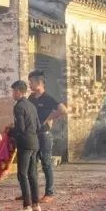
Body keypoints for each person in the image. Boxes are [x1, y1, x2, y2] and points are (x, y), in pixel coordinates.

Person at [27, 70, 67, 202]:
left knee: (46, 163)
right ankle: (30, 192)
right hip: (33, 134)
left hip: (44, 135)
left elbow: (63, 110)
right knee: (31, 163)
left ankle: (49, 193)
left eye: (31, 82)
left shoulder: (48, 98)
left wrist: (48, 118)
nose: (30, 85)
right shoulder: (31, 98)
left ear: (39, 83)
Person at [8, 80, 41, 211]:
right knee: (32, 174)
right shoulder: (31, 105)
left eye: (13, 91)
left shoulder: (19, 107)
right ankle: (36, 204)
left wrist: (10, 131)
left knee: (22, 174)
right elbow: (38, 126)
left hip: (25, 144)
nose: (12, 94)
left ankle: (27, 205)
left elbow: (20, 128)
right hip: (35, 142)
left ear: (18, 91)